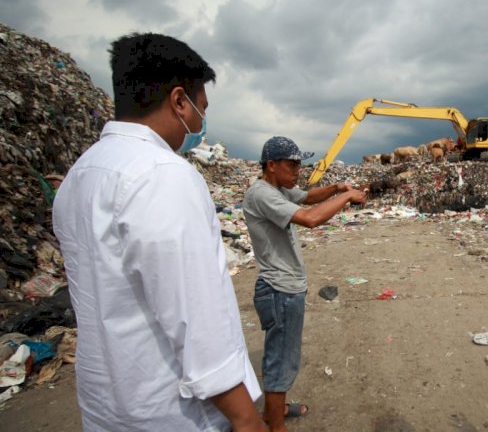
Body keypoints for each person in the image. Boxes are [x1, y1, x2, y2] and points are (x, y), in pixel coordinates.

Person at [52, 33, 267, 432]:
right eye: (201, 109)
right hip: (171, 412)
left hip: (107, 408)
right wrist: (246, 418)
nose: (200, 124)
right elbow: (194, 318)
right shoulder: (162, 174)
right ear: (179, 101)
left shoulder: (79, 176)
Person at [243, 136, 367, 432]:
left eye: (300, 163)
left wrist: (336, 188)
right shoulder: (262, 194)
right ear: (271, 165)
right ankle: (275, 425)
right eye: (292, 164)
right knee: (281, 362)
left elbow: (308, 198)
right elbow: (310, 218)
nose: (298, 170)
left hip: (286, 287)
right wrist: (346, 197)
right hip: (279, 290)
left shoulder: (279, 189)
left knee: (283, 356)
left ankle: (277, 409)